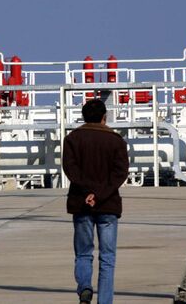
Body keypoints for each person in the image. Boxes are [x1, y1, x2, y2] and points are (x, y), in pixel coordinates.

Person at [62, 99, 129, 304]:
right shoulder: (116, 140)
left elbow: (70, 169)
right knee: (107, 258)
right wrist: (99, 195)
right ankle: (105, 301)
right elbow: (120, 174)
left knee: (83, 253)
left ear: (83, 117)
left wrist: (87, 192)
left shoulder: (72, 139)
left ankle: (85, 288)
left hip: (81, 204)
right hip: (107, 205)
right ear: (104, 117)